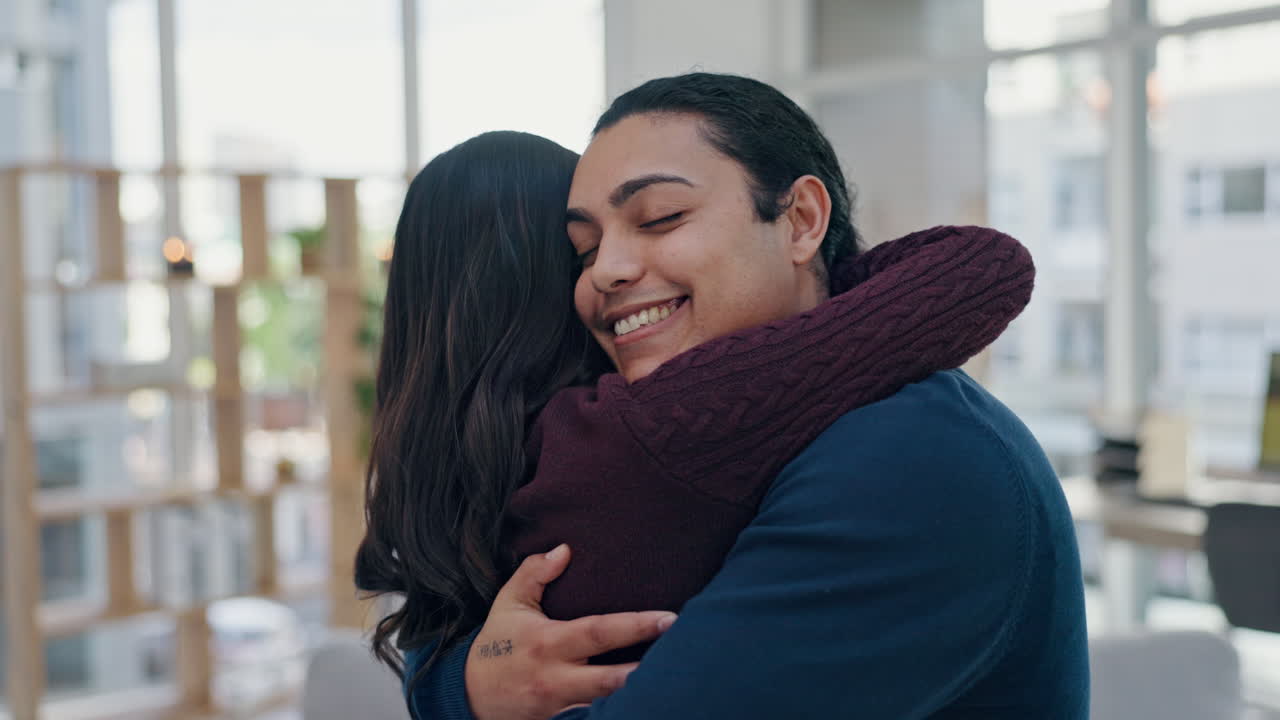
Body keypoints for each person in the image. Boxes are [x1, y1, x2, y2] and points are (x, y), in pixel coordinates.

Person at [361, 74, 1087, 720]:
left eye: (660, 218)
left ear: (801, 220)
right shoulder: (725, 440)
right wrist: (464, 684)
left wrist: (454, 693)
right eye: (581, 252)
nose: (607, 270)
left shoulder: (915, 455)